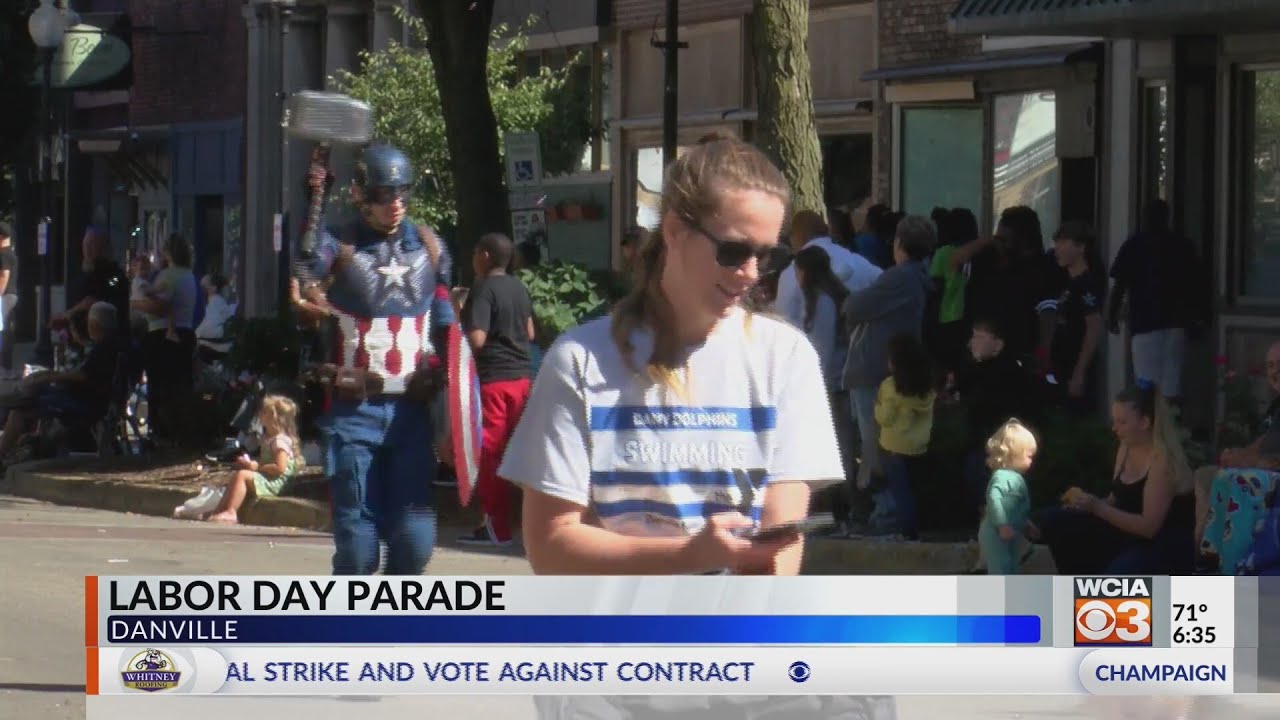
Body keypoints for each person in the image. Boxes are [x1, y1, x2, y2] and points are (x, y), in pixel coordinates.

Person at [498, 131, 844, 576]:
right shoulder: (580, 360)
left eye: (767, 256)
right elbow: (549, 545)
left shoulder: (787, 358)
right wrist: (688, 556)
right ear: (676, 230)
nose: (751, 274)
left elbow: (782, 535)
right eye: (734, 251)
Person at [291, 142, 456, 576]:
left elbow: (447, 330)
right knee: (359, 548)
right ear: (362, 195)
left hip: (413, 414)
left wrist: (451, 414)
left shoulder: (431, 247)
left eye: (403, 192)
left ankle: (391, 632)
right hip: (352, 412)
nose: (395, 204)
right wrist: (314, 199)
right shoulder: (339, 246)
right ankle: (351, 635)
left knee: (415, 542)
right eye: (385, 194)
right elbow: (307, 266)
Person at [1032, 382, 1196, 574]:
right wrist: (1086, 505)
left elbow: (1149, 527)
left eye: (1122, 422)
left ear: (1144, 422)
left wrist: (1097, 508)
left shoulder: (1162, 462)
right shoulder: (1126, 447)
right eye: (1114, 421)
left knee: (1122, 571)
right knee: (1056, 520)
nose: (1114, 428)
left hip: (1160, 545)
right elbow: (1115, 499)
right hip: (1127, 533)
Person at [841, 215, 936, 529]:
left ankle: (887, 514)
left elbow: (854, 307)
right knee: (880, 443)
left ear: (900, 244)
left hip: (875, 370)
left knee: (876, 446)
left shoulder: (899, 278)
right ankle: (887, 511)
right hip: (887, 368)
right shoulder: (917, 277)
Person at [459, 232, 536, 547]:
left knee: (491, 454)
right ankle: (528, 525)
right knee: (521, 454)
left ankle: (496, 528)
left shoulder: (482, 289)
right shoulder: (519, 287)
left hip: (494, 382)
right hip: (523, 379)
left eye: (476, 251)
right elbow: (529, 332)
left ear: (486, 256)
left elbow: (477, 339)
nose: (473, 258)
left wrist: (458, 312)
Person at [1108, 199, 1208, 405]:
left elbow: (1120, 284)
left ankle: (1153, 428)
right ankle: (1173, 427)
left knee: (1146, 385)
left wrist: (1112, 315)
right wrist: (1200, 318)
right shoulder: (1182, 244)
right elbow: (1197, 285)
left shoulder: (1135, 244)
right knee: (1172, 383)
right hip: (1176, 322)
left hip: (1146, 323)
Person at [0, 302, 123, 463]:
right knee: (28, 395)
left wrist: (51, 376)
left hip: (83, 403)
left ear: (94, 323)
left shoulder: (103, 349)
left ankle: (3, 452)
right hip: (81, 398)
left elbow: (83, 376)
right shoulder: (110, 346)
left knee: (21, 409)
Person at [957, 318, 1043, 519]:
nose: (973, 343)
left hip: (1001, 446)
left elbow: (992, 405)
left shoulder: (1008, 371)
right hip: (981, 442)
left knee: (992, 492)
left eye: (980, 336)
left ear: (998, 343)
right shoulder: (979, 369)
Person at [872, 333, 935, 541]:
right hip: (919, 447)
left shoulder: (890, 386)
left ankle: (907, 532)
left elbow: (886, 418)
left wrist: (877, 408)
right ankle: (920, 527)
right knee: (916, 490)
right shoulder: (927, 388)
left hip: (894, 447)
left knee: (901, 491)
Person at [774, 209, 881, 331]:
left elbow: (784, 323)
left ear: (798, 236)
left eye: (791, 236)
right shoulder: (860, 263)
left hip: (813, 346)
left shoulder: (791, 273)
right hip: (859, 345)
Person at [203, 394, 301, 524]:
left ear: (274, 417)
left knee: (242, 475)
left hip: (276, 483)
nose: (259, 414)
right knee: (237, 477)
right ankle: (219, 510)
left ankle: (231, 511)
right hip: (270, 478)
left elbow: (280, 468)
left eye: (264, 412)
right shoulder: (269, 439)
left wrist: (256, 467)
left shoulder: (279, 441)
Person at [1049, 221, 1107, 413]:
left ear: (1081, 247)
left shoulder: (1087, 284)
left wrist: (1080, 372)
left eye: (1064, 243)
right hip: (1061, 362)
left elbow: (1093, 327)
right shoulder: (1067, 283)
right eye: (1057, 243)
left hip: (1075, 363)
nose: (1057, 249)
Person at [978, 419, 1037, 575]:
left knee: (1012, 566)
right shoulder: (1002, 477)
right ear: (1014, 455)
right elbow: (994, 500)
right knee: (1001, 567)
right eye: (1029, 456)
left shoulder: (1013, 477)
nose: (1032, 461)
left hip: (1008, 533)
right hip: (995, 533)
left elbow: (1015, 506)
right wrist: (1002, 525)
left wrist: (1025, 522)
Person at [0, 222, 20, 379]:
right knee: (6, 333)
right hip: (11, 295)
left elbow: (3, 276)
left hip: (4, 296)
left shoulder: (3, 254)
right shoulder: (10, 253)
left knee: (3, 333)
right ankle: (6, 369)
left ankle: (4, 369)